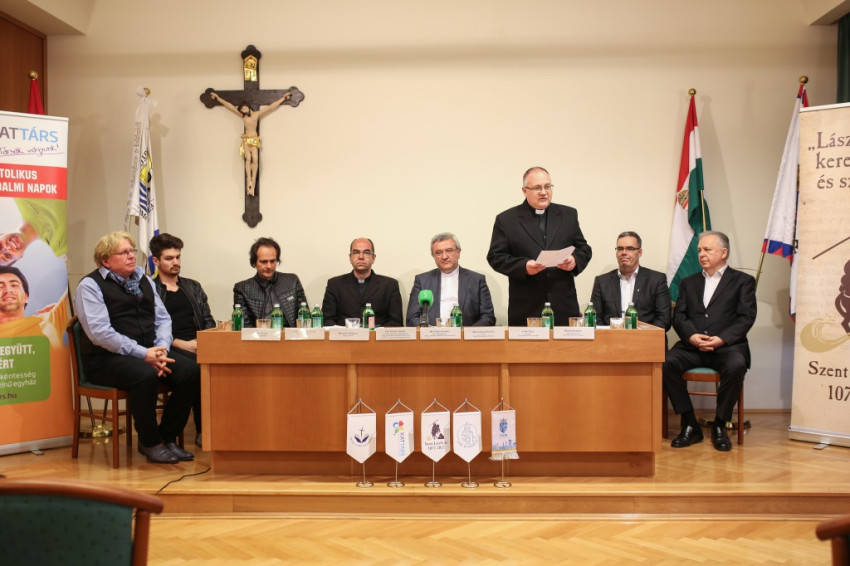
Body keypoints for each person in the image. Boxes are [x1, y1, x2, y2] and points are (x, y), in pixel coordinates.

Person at [74, 231, 200, 464]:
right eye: (124, 252)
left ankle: (167, 437)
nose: (132, 256)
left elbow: (163, 319)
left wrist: (161, 349)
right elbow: (100, 333)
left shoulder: (144, 279)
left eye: (132, 250)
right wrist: (144, 354)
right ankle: (150, 442)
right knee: (144, 375)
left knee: (191, 371)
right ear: (105, 260)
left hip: (150, 351)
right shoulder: (90, 286)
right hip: (105, 359)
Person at [663, 231, 757, 452]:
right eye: (699, 250)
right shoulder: (688, 282)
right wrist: (691, 336)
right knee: (665, 362)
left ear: (723, 252)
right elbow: (679, 316)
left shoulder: (743, 281)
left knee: (736, 366)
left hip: (727, 348)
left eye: (707, 249)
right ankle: (690, 424)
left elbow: (746, 317)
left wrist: (721, 339)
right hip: (693, 346)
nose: (701, 254)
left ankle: (720, 425)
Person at [487, 166, 592, 326]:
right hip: (526, 307)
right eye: (537, 188)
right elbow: (495, 257)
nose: (544, 192)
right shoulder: (507, 219)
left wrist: (574, 261)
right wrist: (524, 266)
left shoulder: (568, 215)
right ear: (524, 191)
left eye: (547, 186)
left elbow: (584, 249)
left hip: (563, 306)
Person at [151, 233, 216, 447]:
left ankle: (213, 429)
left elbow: (207, 320)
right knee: (198, 370)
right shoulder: (150, 290)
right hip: (167, 348)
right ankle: (188, 432)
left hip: (198, 346)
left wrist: (205, 343)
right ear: (156, 261)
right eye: (169, 258)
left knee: (219, 364)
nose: (176, 262)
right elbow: (148, 330)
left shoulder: (193, 287)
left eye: (178, 257)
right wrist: (179, 343)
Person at [209, 90, 292, 196]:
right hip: (246, 141)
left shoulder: (256, 114)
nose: (243, 110)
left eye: (244, 108)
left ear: (247, 106)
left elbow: (270, 107)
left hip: (254, 141)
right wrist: (217, 98)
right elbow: (230, 107)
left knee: (255, 160)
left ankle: (252, 182)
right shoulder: (243, 116)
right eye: (241, 110)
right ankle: (249, 179)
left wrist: (283, 98)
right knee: (248, 159)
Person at [406, 232, 496, 326]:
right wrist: (429, 331)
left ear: (458, 252)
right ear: (433, 256)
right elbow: (412, 318)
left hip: (465, 334)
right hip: (431, 334)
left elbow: (488, 317)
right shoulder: (422, 281)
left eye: (449, 251)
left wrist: (466, 333)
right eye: (439, 252)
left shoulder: (477, 280)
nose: (444, 257)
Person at [590, 231, 671, 329]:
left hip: (645, 336)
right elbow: (595, 317)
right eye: (620, 249)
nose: (624, 252)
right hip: (611, 336)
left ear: (640, 252)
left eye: (630, 248)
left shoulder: (656, 280)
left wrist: (640, 335)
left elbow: (664, 318)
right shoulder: (602, 282)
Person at [321, 238, 404, 327]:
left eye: (366, 252)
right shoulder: (334, 284)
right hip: (344, 335)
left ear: (373, 258)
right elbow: (327, 320)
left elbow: (396, 322)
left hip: (376, 335)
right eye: (356, 252)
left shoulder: (390, 285)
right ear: (350, 258)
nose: (361, 257)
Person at [233, 237, 307, 328]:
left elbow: (305, 317)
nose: (269, 266)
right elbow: (245, 327)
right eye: (264, 262)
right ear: (254, 263)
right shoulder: (242, 289)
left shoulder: (292, 281)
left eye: (272, 261)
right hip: (259, 335)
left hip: (290, 335)